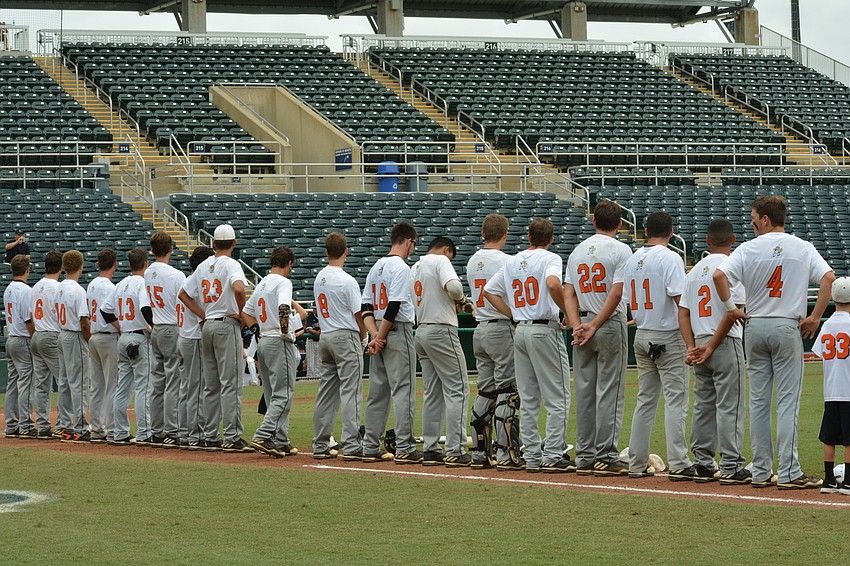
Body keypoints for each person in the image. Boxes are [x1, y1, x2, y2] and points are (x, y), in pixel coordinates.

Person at [714, 195, 834, 490]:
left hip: (754, 325)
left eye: (755, 216)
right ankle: (790, 471)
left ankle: (760, 471)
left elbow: (718, 275)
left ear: (765, 219)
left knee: (758, 402)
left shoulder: (747, 248)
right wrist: (815, 317)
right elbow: (829, 279)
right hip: (785, 325)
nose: (752, 221)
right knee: (787, 402)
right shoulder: (802, 247)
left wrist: (731, 309)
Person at [483, 218, 574, 473]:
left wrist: (512, 313)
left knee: (529, 397)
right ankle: (554, 453)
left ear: (528, 237)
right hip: (544, 328)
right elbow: (554, 284)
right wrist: (567, 311)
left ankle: (533, 455)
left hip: (521, 328)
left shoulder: (512, 260)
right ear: (551, 238)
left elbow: (489, 291)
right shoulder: (550, 258)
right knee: (558, 397)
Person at [563, 200, 632, 477]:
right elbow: (616, 293)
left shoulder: (578, 251)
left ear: (594, 221)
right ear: (619, 224)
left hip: (583, 321)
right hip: (607, 321)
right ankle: (605, 454)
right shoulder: (621, 249)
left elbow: (568, 293)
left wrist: (578, 325)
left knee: (585, 391)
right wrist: (594, 325)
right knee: (610, 392)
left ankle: (585, 455)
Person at [679, 219, 749, 485]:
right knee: (730, 405)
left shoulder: (694, 270)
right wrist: (711, 346)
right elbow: (734, 313)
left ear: (707, 241)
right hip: (723, 341)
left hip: (699, 341)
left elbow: (683, 312)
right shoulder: (732, 268)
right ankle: (730, 464)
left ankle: (703, 463)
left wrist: (691, 346)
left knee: (704, 405)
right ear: (733, 241)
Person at [624, 211, 692, 480]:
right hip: (667, 334)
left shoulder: (632, 258)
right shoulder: (670, 257)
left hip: (642, 333)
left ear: (645, 231)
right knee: (676, 401)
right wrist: (692, 338)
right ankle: (679, 462)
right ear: (671, 231)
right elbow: (680, 300)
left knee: (645, 401)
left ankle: (636, 463)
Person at [178, 223, 253, 453]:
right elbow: (239, 289)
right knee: (230, 384)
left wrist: (204, 315)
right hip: (225, 325)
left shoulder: (202, 265)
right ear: (234, 243)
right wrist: (242, 314)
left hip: (208, 325)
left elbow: (183, 294)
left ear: (213, 244)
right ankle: (231, 435)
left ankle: (211, 435)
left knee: (210, 386)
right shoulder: (232, 264)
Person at [360, 222, 421, 464]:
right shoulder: (401, 267)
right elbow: (394, 306)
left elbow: (365, 307)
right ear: (408, 241)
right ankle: (405, 446)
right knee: (403, 390)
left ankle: (370, 445)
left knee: (378, 392)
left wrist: (374, 335)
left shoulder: (376, 267)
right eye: (413, 245)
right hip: (395, 332)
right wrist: (381, 336)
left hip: (377, 331)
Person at [466, 214, 521, 471]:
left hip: (480, 329)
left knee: (486, 391)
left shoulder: (472, 261)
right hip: (500, 327)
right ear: (505, 234)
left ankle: (479, 450)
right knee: (507, 392)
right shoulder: (507, 261)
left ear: (483, 233)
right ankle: (505, 451)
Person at [411, 236, 472, 467]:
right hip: (441, 329)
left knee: (432, 393)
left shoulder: (414, 267)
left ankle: (431, 448)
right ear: (446, 250)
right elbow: (454, 287)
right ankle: (455, 450)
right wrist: (462, 299)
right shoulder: (440, 261)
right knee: (458, 388)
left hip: (422, 329)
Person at [311, 233, 366, 460]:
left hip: (326, 335)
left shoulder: (319, 278)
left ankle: (320, 443)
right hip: (345, 336)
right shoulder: (347, 280)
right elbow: (358, 314)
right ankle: (352, 445)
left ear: (326, 251)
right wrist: (364, 337)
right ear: (346, 251)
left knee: (326, 393)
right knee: (351, 392)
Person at [242, 246, 299, 458]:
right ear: (289, 263)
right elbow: (284, 307)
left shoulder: (261, 283)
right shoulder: (283, 282)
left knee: (272, 394)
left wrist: (257, 330)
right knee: (283, 394)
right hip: (277, 339)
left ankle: (281, 439)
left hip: (264, 340)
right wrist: (285, 332)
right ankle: (264, 435)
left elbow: (246, 313)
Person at [102, 248, 153, 446]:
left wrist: (121, 327)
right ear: (145, 264)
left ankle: (120, 432)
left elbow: (105, 310)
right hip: (139, 338)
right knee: (142, 387)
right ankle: (144, 432)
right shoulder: (142, 282)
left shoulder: (121, 283)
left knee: (122, 387)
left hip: (123, 338)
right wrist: (152, 327)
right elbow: (145, 307)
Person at [145, 232, 186, 448]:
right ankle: (172, 429)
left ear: (153, 250)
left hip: (156, 327)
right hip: (172, 326)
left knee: (157, 381)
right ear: (170, 248)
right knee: (173, 381)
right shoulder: (176, 274)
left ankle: (157, 429)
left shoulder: (148, 272)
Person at [811, 277, 850, 495]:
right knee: (848, 438)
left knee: (829, 436)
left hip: (831, 390)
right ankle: (848, 482)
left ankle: (828, 480)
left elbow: (819, 352)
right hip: (848, 389)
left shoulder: (828, 325)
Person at [177, 246, 215, 449]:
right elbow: (184, 296)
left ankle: (185, 432)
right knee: (196, 388)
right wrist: (204, 316)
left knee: (188, 388)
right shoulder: (194, 280)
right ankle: (195, 434)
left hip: (185, 335)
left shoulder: (190, 279)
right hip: (193, 337)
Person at [55, 250, 92, 443]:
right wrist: (90, 340)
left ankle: (65, 426)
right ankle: (81, 427)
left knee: (64, 382)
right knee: (79, 383)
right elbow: (84, 322)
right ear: (81, 266)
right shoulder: (78, 290)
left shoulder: (59, 287)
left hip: (62, 333)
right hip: (75, 335)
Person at [86, 249, 119, 444]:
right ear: (114, 264)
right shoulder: (109, 287)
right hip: (108, 337)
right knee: (112, 384)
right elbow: (111, 313)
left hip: (94, 336)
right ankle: (114, 429)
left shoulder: (91, 284)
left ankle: (96, 428)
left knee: (97, 385)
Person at [30, 250, 63, 439]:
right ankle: (62, 424)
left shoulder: (36, 286)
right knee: (64, 381)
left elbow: (31, 315)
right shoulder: (56, 288)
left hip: (37, 334)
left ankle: (42, 426)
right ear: (61, 267)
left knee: (41, 385)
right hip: (51, 335)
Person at [3, 254, 34, 438]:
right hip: (22, 339)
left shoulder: (8, 288)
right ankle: (26, 425)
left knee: (13, 383)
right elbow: (28, 319)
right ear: (27, 270)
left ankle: (12, 424)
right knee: (26, 383)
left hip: (11, 338)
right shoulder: (25, 290)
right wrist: (35, 337)